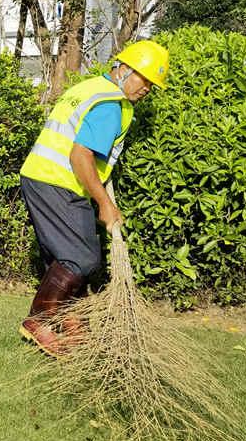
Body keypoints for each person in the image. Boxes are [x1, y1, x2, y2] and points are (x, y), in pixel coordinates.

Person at [18, 40, 169, 357]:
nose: (147, 90)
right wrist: (105, 202)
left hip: (42, 176)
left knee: (64, 255)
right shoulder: (110, 106)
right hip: (58, 181)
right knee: (81, 258)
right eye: (144, 80)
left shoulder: (91, 89)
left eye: (153, 85)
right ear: (124, 69)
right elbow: (80, 156)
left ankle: (69, 321)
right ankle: (39, 320)